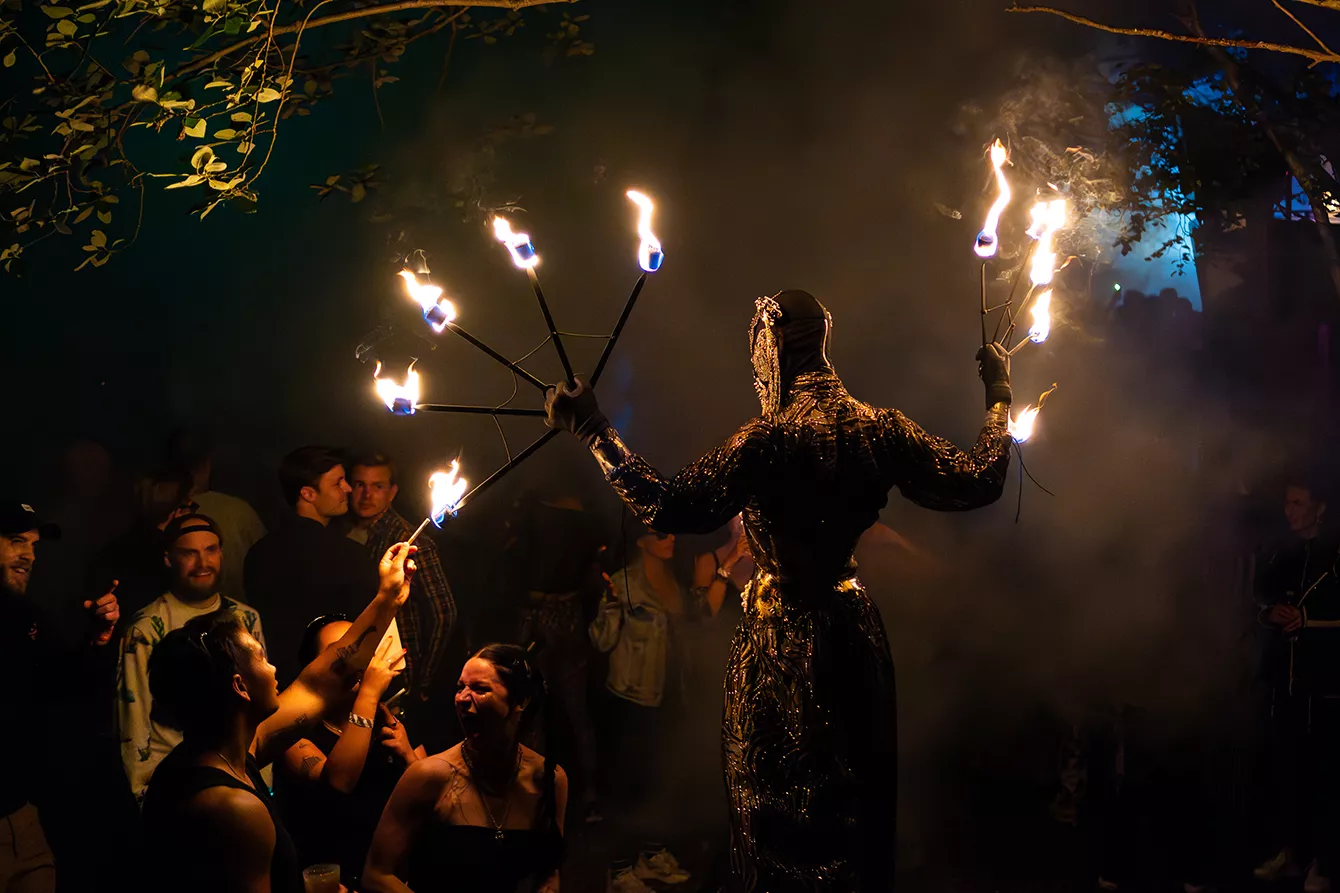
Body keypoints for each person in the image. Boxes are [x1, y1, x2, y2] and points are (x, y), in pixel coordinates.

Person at [545, 289, 1012, 892]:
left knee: (778, 816)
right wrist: (999, 394)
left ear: (772, 346)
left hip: (781, 641)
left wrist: (593, 429)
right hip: (853, 634)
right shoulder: (880, 428)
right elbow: (979, 478)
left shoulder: (767, 440)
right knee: (852, 808)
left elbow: (668, 505)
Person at [140, 541, 415, 893]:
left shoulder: (234, 747)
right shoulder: (231, 807)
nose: (272, 667)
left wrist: (388, 597)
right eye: (259, 657)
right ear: (240, 686)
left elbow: (325, 679)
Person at [362, 644, 567, 893]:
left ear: (520, 701)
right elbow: (377, 875)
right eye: (460, 687)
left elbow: (549, 870)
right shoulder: (429, 776)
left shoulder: (549, 779)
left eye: (480, 689)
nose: (462, 698)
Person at [0, 501, 119, 893]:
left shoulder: (26, 616)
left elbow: (68, 688)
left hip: (23, 816)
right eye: (16, 541)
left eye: (33, 545)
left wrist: (97, 639)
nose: (29, 555)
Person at [117, 513, 265, 805]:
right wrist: (143, 796)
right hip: (177, 782)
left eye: (210, 550)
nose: (202, 563)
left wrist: (262, 779)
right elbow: (133, 720)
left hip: (240, 777)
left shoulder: (245, 618)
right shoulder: (147, 627)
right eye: (189, 553)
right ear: (169, 558)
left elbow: (258, 703)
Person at [275, 615, 424, 889]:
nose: (355, 660)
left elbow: (430, 809)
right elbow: (339, 780)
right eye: (340, 652)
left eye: (361, 648)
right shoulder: (295, 732)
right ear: (312, 667)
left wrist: (408, 757)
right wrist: (368, 694)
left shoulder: (392, 722)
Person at [1253, 479, 1340, 893]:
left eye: (1298, 503)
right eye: (1287, 502)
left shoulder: (1335, 555)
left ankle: (1324, 862)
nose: (1289, 510)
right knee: (1288, 771)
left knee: (1325, 774)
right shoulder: (1281, 553)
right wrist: (1270, 614)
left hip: (1326, 685)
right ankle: (1294, 852)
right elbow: (1260, 601)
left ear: (1319, 509)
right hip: (1285, 684)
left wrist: (1309, 621)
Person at [504, 486, 604, 823]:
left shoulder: (531, 514)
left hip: (541, 615)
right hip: (566, 613)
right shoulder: (581, 518)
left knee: (536, 710)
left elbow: (511, 568)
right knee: (572, 711)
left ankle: (538, 796)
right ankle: (582, 795)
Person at [244, 446, 379, 684]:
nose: (348, 488)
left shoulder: (258, 552)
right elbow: (368, 630)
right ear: (308, 494)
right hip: (335, 683)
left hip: (276, 683)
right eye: (337, 483)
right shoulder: (350, 555)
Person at [347, 453, 456, 700]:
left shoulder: (410, 541)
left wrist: (422, 682)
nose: (366, 495)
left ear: (392, 492)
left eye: (378, 486)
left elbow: (444, 614)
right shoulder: (342, 530)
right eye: (360, 484)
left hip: (395, 676)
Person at [167, 428, 267, 605]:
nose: (202, 563)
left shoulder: (161, 511)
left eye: (212, 549)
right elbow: (266, 564)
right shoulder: (238, 510)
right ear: (207, 464)